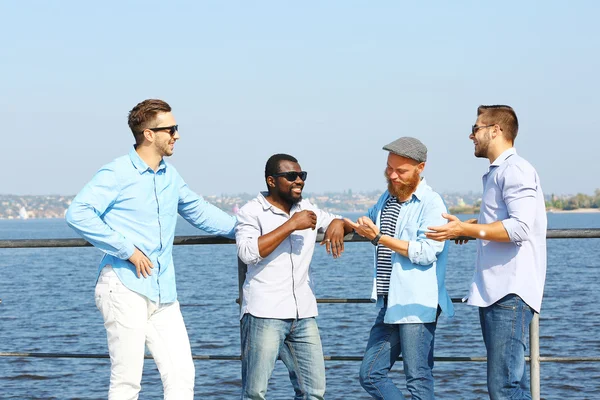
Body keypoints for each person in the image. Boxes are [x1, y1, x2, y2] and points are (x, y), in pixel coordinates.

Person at [65, 99, 237, 399]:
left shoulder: (170, 176)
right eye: (171, 129)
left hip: (163, 290)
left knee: (181, 374)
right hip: (123, 286)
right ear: (148, 134)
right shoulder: (116, 172)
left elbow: (200, 212)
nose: (177, 135)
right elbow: (78, 213)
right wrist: (126, 249)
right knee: (127, 381)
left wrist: (251, 230)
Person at [426, 105, 547, 400]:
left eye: (476, 128)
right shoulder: (500, 172)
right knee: (508, 385)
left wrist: (466, 231)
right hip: (498, 293)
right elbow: (508, 220)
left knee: (504, 388)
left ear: (496, 130)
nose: (471, 135)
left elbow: (519, 228)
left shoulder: (515, 169)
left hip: (510, 293)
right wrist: (475, 225)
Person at [235, 153, 353, 400]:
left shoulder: (308, 210)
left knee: (314, 392)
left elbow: (342, 222)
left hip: (304, 314)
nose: (299, 180)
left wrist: (339, 223)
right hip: (264, 314)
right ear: (271, 181)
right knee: (255, 392)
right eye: (291, 176)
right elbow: (247, 253)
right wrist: (291, 225)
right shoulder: (251, 211)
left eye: (302, 175)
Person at [344, 137, 454, 400]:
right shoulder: (388, 197)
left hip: (418, 303)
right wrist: (342, 223)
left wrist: (379, 237)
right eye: (389, 168)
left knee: (418, 377)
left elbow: (426, 252)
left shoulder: (432, 203)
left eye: (401, 171)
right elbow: (367, 222)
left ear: (421, 167)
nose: (392, 175)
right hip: (389, 302)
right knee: (370, 374)